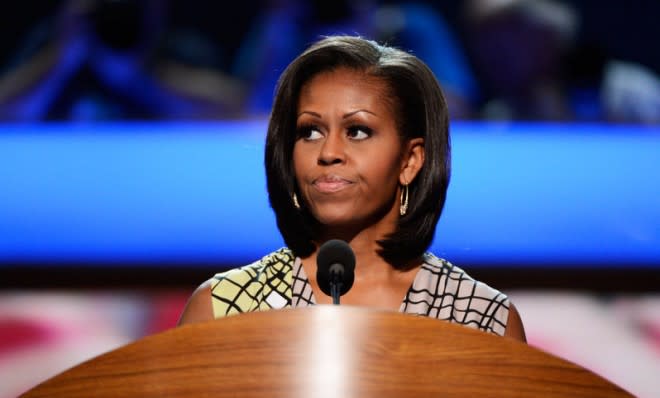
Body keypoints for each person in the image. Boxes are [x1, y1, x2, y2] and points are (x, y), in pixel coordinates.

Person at [178, 35, 526, 342]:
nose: (328, 153)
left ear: (410, 160)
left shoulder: (480, 319)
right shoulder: (224, 306)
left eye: (357, 131)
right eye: (310, 131)